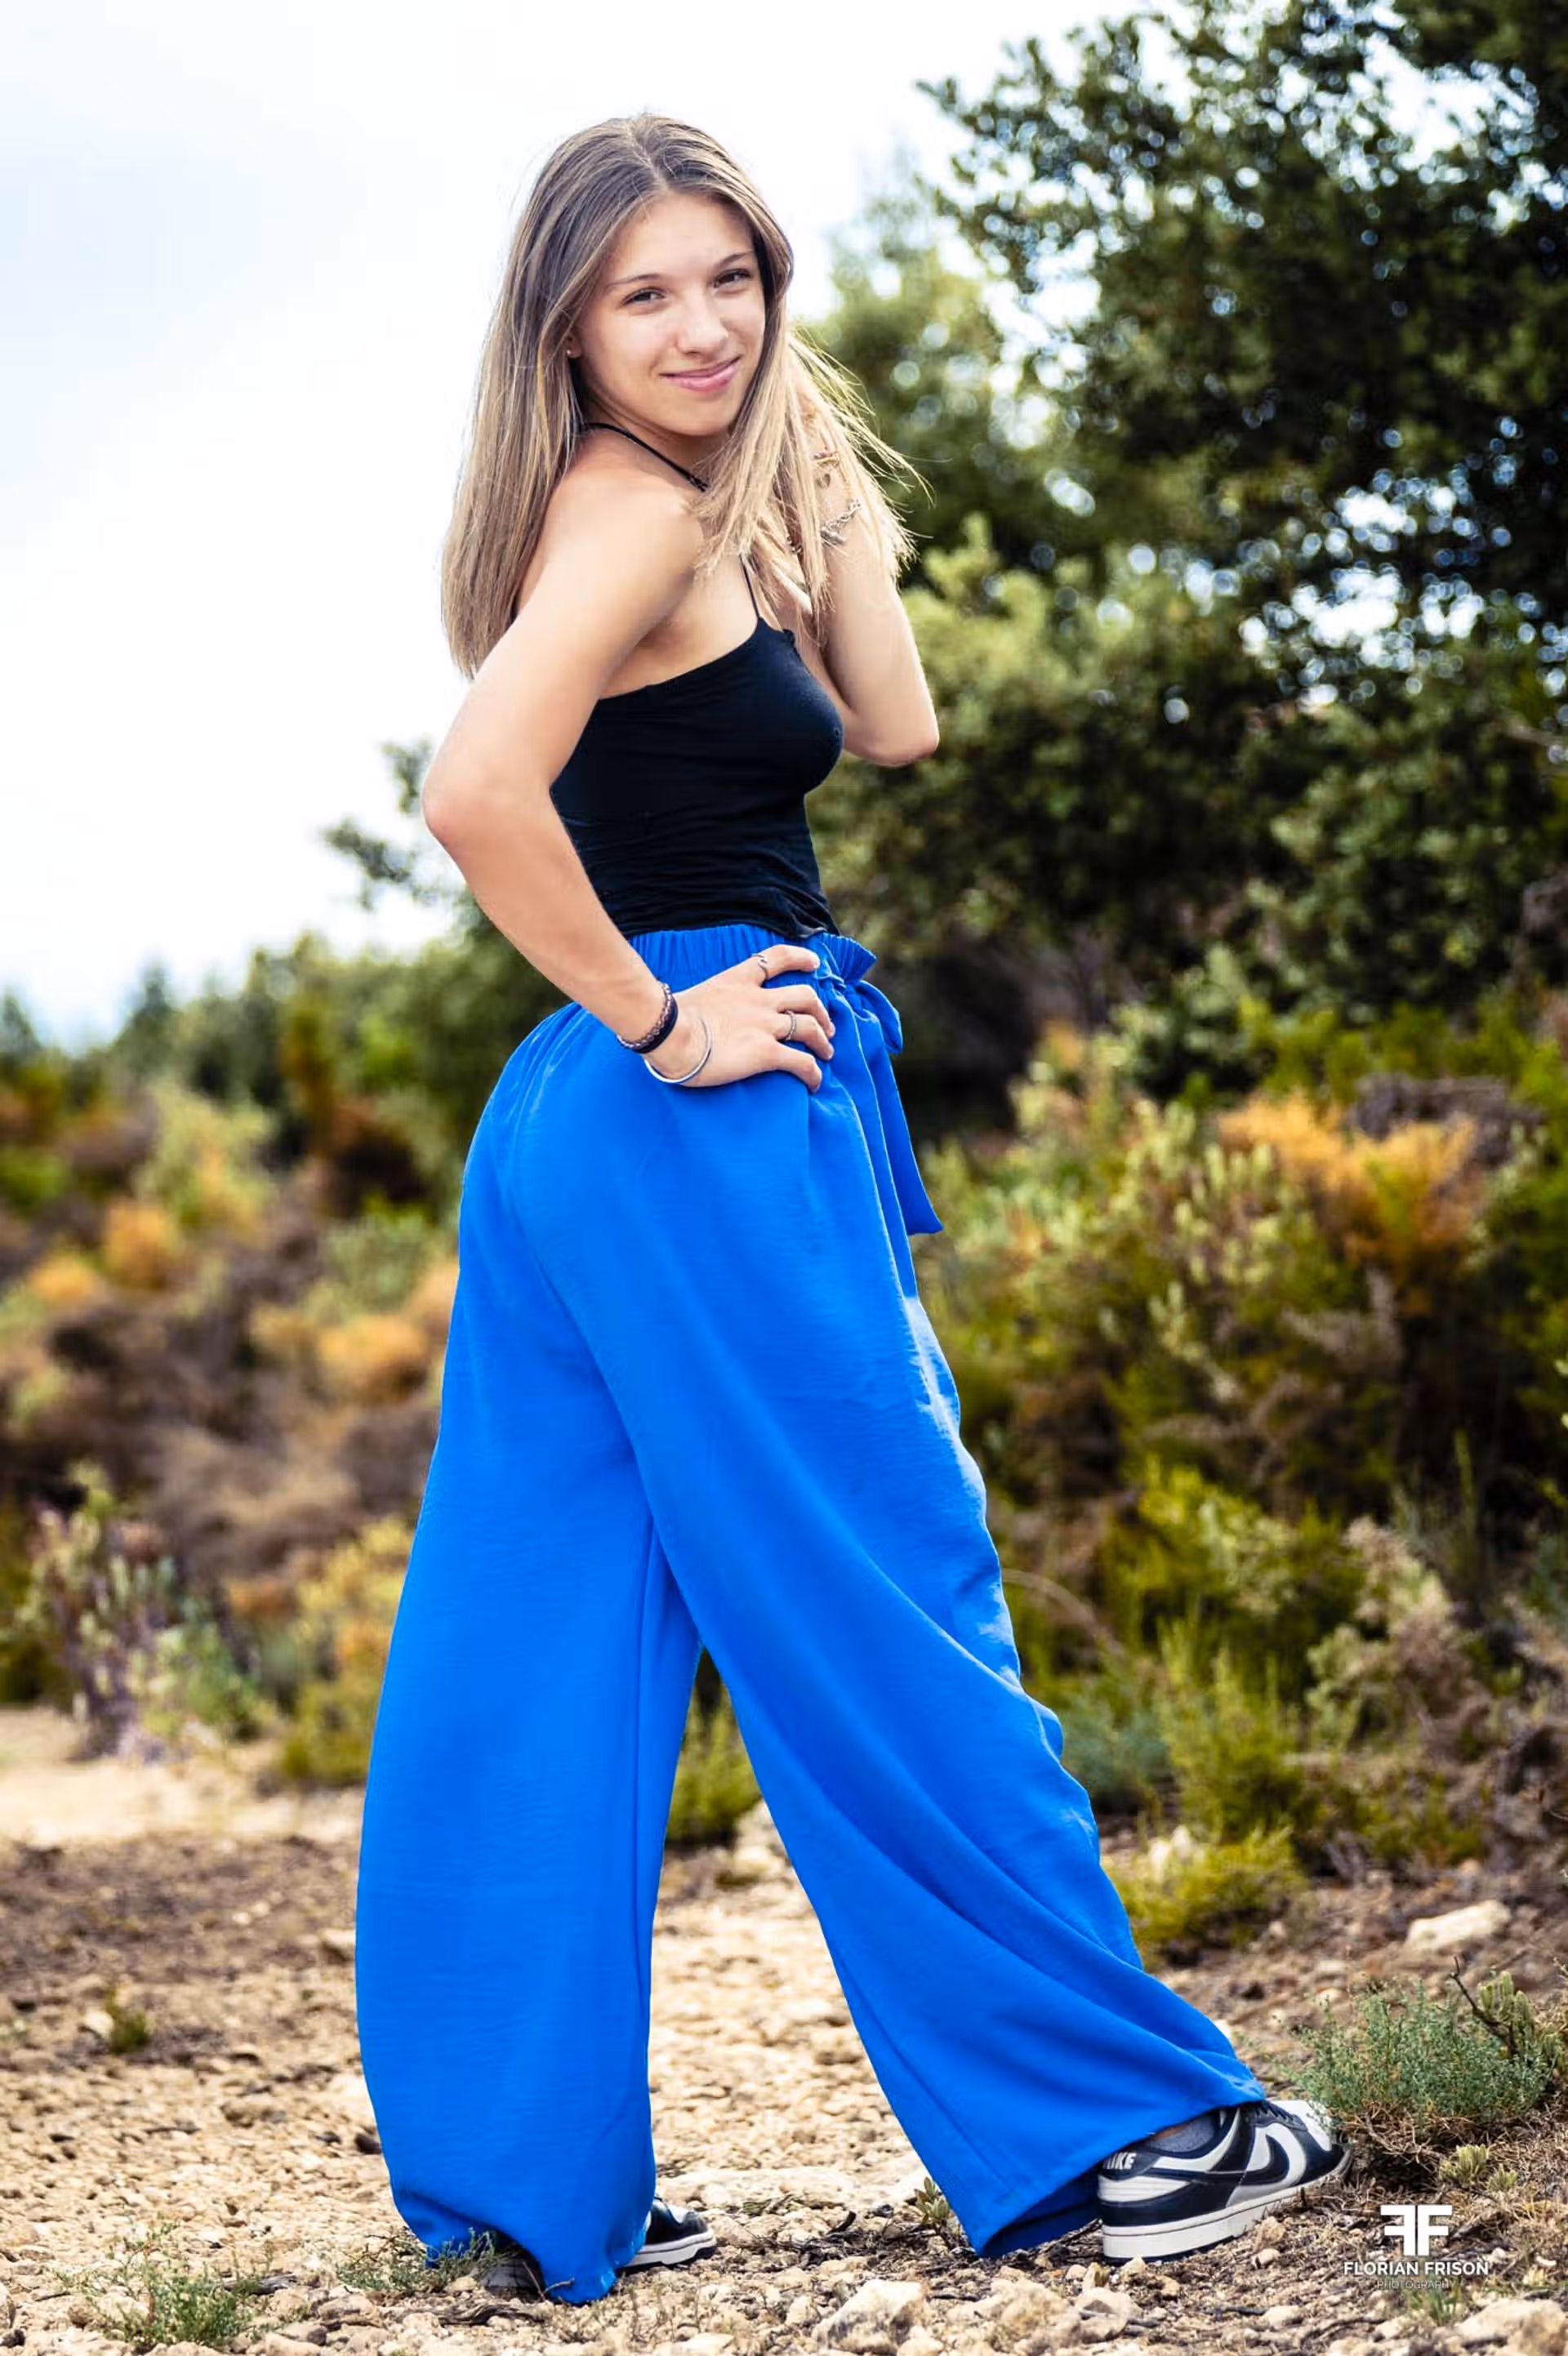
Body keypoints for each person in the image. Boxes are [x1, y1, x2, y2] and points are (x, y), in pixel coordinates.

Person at [351, 111, 1352, 2309]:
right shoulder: (621, 521)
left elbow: (890, 724)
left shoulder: (662, 507)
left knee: (542, 1645)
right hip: (697, 1095)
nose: (701, 323)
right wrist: (661, 1018)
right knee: (886, 1597)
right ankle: (1109, 2127)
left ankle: (516, 2182)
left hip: (580, 1135)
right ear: (568, 326)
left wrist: (817, 481)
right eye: (647, 293)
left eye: (734, 276)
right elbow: (469, 789)